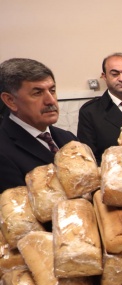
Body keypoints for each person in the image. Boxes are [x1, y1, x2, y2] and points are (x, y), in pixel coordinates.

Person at [0, 58, 78, 193]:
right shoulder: (3, 151)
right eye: (38, 93)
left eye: (52, 90)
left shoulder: (68, 138)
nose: (51, 100)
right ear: (10, 101)